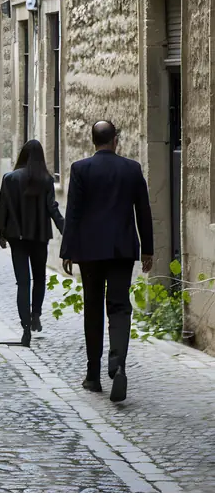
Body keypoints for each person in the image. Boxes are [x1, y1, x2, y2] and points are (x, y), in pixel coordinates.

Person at [60, 120, 154, 403]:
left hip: (89, 251)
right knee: (119, 305)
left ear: (93, 141)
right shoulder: (132, 169)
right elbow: (144, 211)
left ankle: (93, 375)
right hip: (122, 249)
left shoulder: (80, 169)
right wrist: (148, 249)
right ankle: (119, 363)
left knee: (93, 308)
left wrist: (67, 251)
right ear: (115, 140)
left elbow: (73, 212)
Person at [0, 139, 65, 347]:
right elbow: (52, 208)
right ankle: (36, 314)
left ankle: (25, 327)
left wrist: (2, 232)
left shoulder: (9, 179)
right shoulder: (45, 180)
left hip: (17, 237)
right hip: (39, 237)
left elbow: (3, 209)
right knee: (39, 279)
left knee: (23, 283)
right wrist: (66, 230)